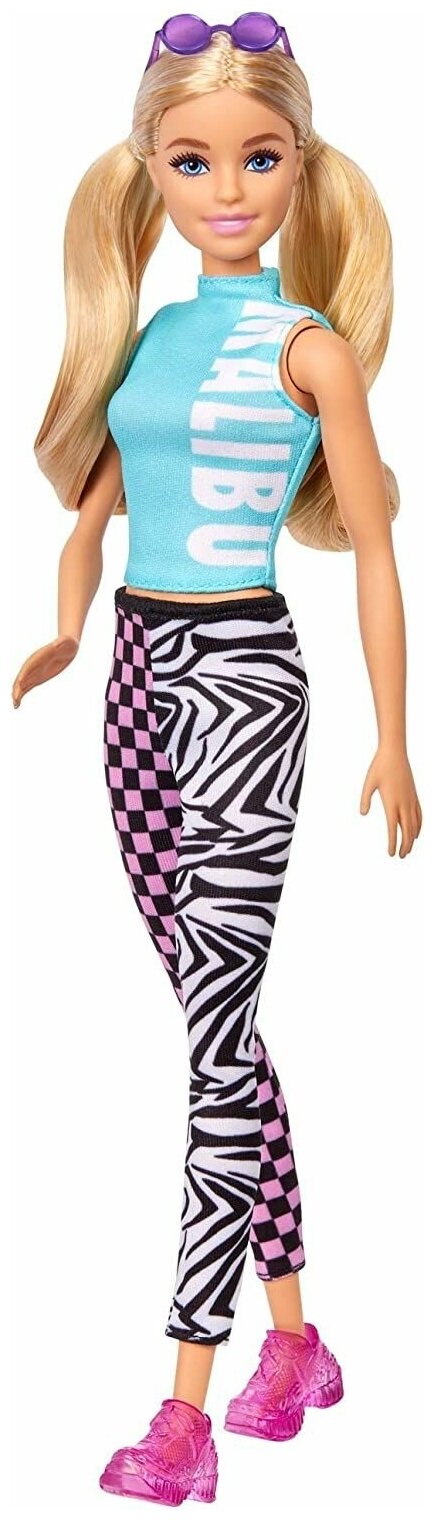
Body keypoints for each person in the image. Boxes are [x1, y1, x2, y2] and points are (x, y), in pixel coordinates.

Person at [11, 11, 422, 1508]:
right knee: (221, 1029)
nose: (228, 189)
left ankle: (182, 1408)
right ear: (152, 171)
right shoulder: (153, 338)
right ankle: (297, 1344)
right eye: (193, 163)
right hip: (131, 677)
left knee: (212, 1046)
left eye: (257, 159)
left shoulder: (310, 349)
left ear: (301, 167)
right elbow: (95, 512)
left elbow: (376, 551)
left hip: (243, 677)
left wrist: (394, 738)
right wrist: (66, 627)